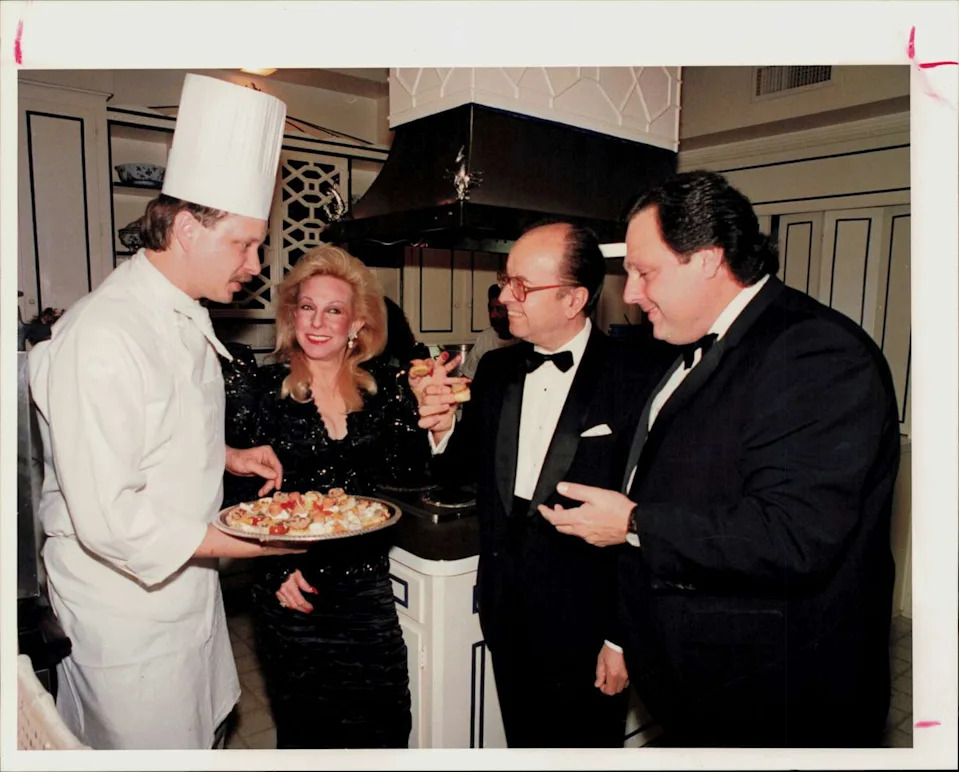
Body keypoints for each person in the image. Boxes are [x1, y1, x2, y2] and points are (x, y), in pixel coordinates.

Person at [540, 170, 901, 747]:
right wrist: (625, 633)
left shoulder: (815, 352)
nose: (629, 292)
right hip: (699, 683)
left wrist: (633, 523)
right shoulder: (688, 344)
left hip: (778, 698)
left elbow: (795, 536)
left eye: (643, 271)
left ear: (707, 259)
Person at [28, 74, 297, 749]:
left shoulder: (180, 315)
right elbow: (111, 517)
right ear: (184, 227)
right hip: (126, 612)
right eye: (243, 244)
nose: (255, 264)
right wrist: (255, 545)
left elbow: (155, 429)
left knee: (198, 735)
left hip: (183, 592)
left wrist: (226, 456)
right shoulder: (104, 334)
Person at [414, 221, 667, 748]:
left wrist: (622, 638)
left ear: (574, 298)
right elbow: (460, 470)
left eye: (521, 286)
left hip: (591, 623)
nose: (505, 295)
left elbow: (650, 512)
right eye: (507, 281)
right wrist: (442, 428)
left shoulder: (640, 377)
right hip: (507, 609)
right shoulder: (497, 369)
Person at [220, 244, 429, 749]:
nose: (317, 322)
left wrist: (431, 420)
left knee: (385, 726)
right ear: (291, 314)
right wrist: (272, 568)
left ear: (357, 323)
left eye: (333, 310)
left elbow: (407, 473)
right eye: (306, 306)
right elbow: (237, 495)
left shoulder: (385, 390)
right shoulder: (258, 387)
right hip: (294, 591)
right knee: (309, 734)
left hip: (366, 590)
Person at [460, 283, 518, 379]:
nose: (493, 315)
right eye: (491, 309)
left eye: (499, 309)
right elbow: (467, 378)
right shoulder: (485, 338)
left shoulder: (526, 340)